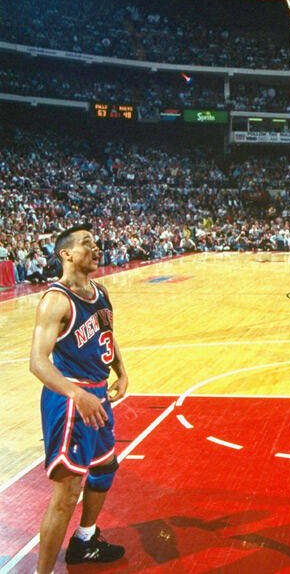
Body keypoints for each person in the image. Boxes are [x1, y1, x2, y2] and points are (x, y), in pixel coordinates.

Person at [29, 223, 129, 572]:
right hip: (71, 399)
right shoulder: (56, 300)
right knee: (67, 493)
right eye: (87, 243)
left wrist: (122, 370)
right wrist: (77, 395)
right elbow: (37, 362)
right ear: (66, 254)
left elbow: (107, 331)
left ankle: (85, 541)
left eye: (96, 242)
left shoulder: (99, 290)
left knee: (104, 468)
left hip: (98, 394)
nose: (96, 248)